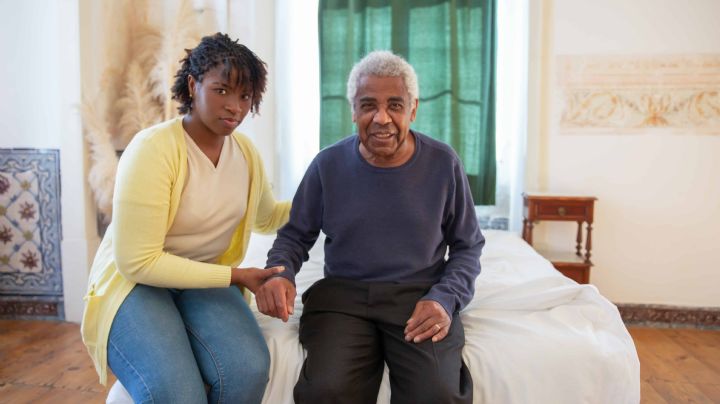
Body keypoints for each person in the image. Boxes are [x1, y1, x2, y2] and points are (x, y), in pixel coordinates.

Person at [255, 50, 485, 404]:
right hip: (343, 298)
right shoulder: (327, 164)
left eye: (395, 105)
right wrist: (281, 273)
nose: (381, 118)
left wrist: (444, 298)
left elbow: (467, 247)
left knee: (437, 394)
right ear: (353, 111)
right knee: (325, 391)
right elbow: (294, 235)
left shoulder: (443, 163)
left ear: (413, 109)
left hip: (418, 295)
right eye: (368, 105)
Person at [80, 33, 290, 403]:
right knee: (178, 394)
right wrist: (236, 276)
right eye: (222, 90)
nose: (235, 107)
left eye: (245, 96)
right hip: (135, 285)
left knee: (249, 371)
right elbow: (138, 262)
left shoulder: (245, 153)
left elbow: (267, 217)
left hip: (201, 281)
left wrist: (324, 197)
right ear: (193, 85)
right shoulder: (153, 149)